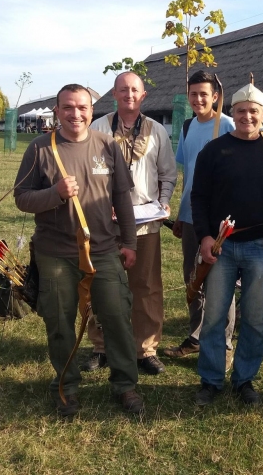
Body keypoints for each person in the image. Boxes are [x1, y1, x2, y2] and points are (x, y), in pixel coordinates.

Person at [14, 84, 144, 418]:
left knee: (116, 317)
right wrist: (55, 193)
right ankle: (66, 386)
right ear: (57, 111)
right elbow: (22, 198)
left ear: (92, 110)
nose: (76, 114)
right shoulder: (41, 149)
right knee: (59, 322)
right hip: (55, 252)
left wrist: (128, 242)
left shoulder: (106, 146)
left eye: (82, 107)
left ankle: (125, 385)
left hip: (103, 249)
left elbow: (122, 201)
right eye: (68, 108)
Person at [190, 83, 263, 406]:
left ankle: (245, 378)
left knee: (256, 318)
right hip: (222, 248)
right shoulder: (214, 151)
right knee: (215, 316)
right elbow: (199, 197)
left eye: (254, 112)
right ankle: (211, 379)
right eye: (241, 111)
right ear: (233, 113)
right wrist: (205, 236)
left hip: (260, 246)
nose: (247, 116)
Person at [82, 72, 177, 376]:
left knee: (146, 286)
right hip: (104, 223)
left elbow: (168, 174)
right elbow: (87, 174)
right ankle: (101, 346)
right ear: (115, 93)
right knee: (99, 285)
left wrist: (163, 202)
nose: (129, 95)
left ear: (143, 95)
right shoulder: (97, 127)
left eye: (135, 90)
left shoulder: (157, 130)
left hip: (144, 223)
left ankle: (144, 349)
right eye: (123, 90)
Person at [164, 70, 237, 364]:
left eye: (203, 94)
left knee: (220, 278)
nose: (198, 99)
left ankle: (224, 343)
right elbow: (188, 174)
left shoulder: (228, 125)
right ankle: (196, 336)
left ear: (215, 96)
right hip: (191, 214)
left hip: (219, 220)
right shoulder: (186, 126)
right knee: (193, 278)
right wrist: (181, 213)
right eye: (193, 94)